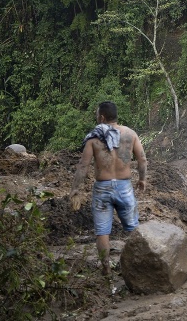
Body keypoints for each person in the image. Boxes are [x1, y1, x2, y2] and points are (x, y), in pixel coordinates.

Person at [70, 101, 147, 276]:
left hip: (102, 189)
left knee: (102, 232)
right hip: (125, 187)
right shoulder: (130, 134)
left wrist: (76, 189)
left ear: (102, 117)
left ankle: (106, 269)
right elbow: (142, 159)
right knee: (133, 229)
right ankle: (137, 265)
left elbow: (83, 165)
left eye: (97, 115)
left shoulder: (94, 138)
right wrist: (142, 179)